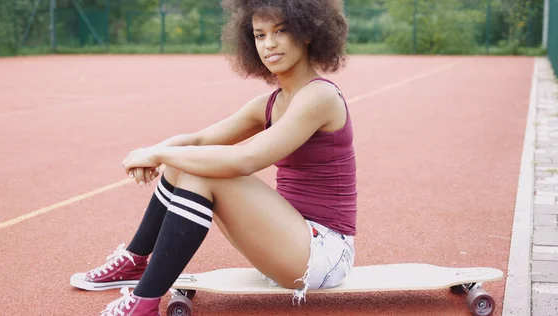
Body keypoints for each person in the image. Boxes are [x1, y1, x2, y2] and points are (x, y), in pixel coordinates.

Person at [70, 0, 357, 315]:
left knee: (200, 169)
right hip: (289, 242)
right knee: (190, 160)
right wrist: (150, 153)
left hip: (324, 253)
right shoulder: (271, 102)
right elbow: (199, 139)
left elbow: (245, 160)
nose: (269, 44)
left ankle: (144, 303)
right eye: (259, 35)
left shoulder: (320, 97)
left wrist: (158, 154)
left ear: (306, 33)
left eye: (280, 31)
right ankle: (136, 260)